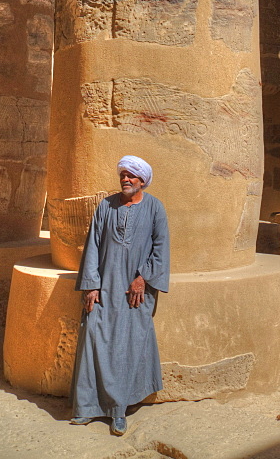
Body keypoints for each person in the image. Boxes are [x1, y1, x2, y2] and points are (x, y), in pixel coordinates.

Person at [69, 155, 170, 435]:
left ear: (142, 181)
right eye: (123, 175)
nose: (126, 179)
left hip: (135, 293)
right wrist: (90, 284)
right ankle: (87, 408)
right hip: (104, 288)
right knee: (93, 338)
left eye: (131, 176)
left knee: (128, 346)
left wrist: (143, 279)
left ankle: (119, 412)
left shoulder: (155, 208)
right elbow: (93, 245)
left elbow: (160, 250)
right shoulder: (106, 206)